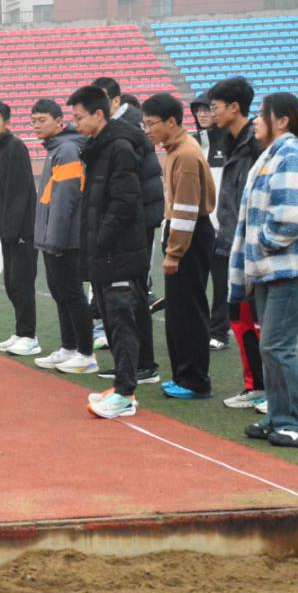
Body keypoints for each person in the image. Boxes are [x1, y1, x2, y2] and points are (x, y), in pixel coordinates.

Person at [229, 92, 298, 447]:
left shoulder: (289, 156)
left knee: (277, 347)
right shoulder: (274, 155)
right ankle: (280, 417)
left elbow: (289, 217)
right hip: (273, 270)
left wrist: (262, 244)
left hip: (291, 271)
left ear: (282, 121)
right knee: (271, 348)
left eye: (262, 114)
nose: (256, 120)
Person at [68, 86, 151, 419]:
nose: (75, 124)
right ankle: (121, 387)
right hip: (103, 253)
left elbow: (124, 203)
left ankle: (126, 393)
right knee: (112, 320)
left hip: (119, 253)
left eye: (79, 117)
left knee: (121, 323)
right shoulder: (98, 148)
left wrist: (101, 240)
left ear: (98, 114)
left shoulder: (119, 148)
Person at [142, 93, 217, 400]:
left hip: (190, 236)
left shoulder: (185, 154)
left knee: (188, 310)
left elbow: (186, 210)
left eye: (151, 124)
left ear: (171, 122)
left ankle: (194, 380)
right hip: (183, 233)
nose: (148, 130)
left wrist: (174, 253)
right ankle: (183, 376)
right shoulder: (176, 149)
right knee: (178, 310)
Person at [92, 76, 163, 385]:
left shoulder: (128, 130)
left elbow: (127, 188)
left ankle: (142, 364)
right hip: (133, 219)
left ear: (116, 101)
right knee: (124, 294)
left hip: (135, 222)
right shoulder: (119, 129)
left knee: (132, 293)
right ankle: (132, 363)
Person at [208, 77, 266, 411]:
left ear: (234, 107)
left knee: (260, 322)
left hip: (253, 248)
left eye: (215, 107)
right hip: (230, 243)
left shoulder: (256, 144)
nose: (211, 113)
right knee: (239, 317)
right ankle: (255, 386)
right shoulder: (229, 141)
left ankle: (271, 390)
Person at [29, 99, 95, 375]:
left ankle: (86, 353)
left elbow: (65, 199)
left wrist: (54, 239)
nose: (36, 125)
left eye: (42, 120)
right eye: (33, 121)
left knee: (71, 293)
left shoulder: (66, 149)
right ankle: (69, 347)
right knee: (60, 293)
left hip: (65, 238)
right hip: (53, 236)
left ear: (59, 121)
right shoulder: (56, 148)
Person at [0, 101, 39, 357]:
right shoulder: (0, 148)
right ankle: (20, 331)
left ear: (7, 122)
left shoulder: (16, 147)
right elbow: (0, 193)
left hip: (21, 231)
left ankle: (29, 336)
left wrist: (14, 230)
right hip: (8, 230)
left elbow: (20, 192)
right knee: (11, 283)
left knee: (22, 283)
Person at [190, 92, 230, 349]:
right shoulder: (193, 142)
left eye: (207, 109)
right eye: (198, 110)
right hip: (197, 226)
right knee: (197, 282)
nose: (202, 114)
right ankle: (200, 329)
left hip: (221, 227)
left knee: (221, 284)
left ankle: (219, 333)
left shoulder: (229, 142)